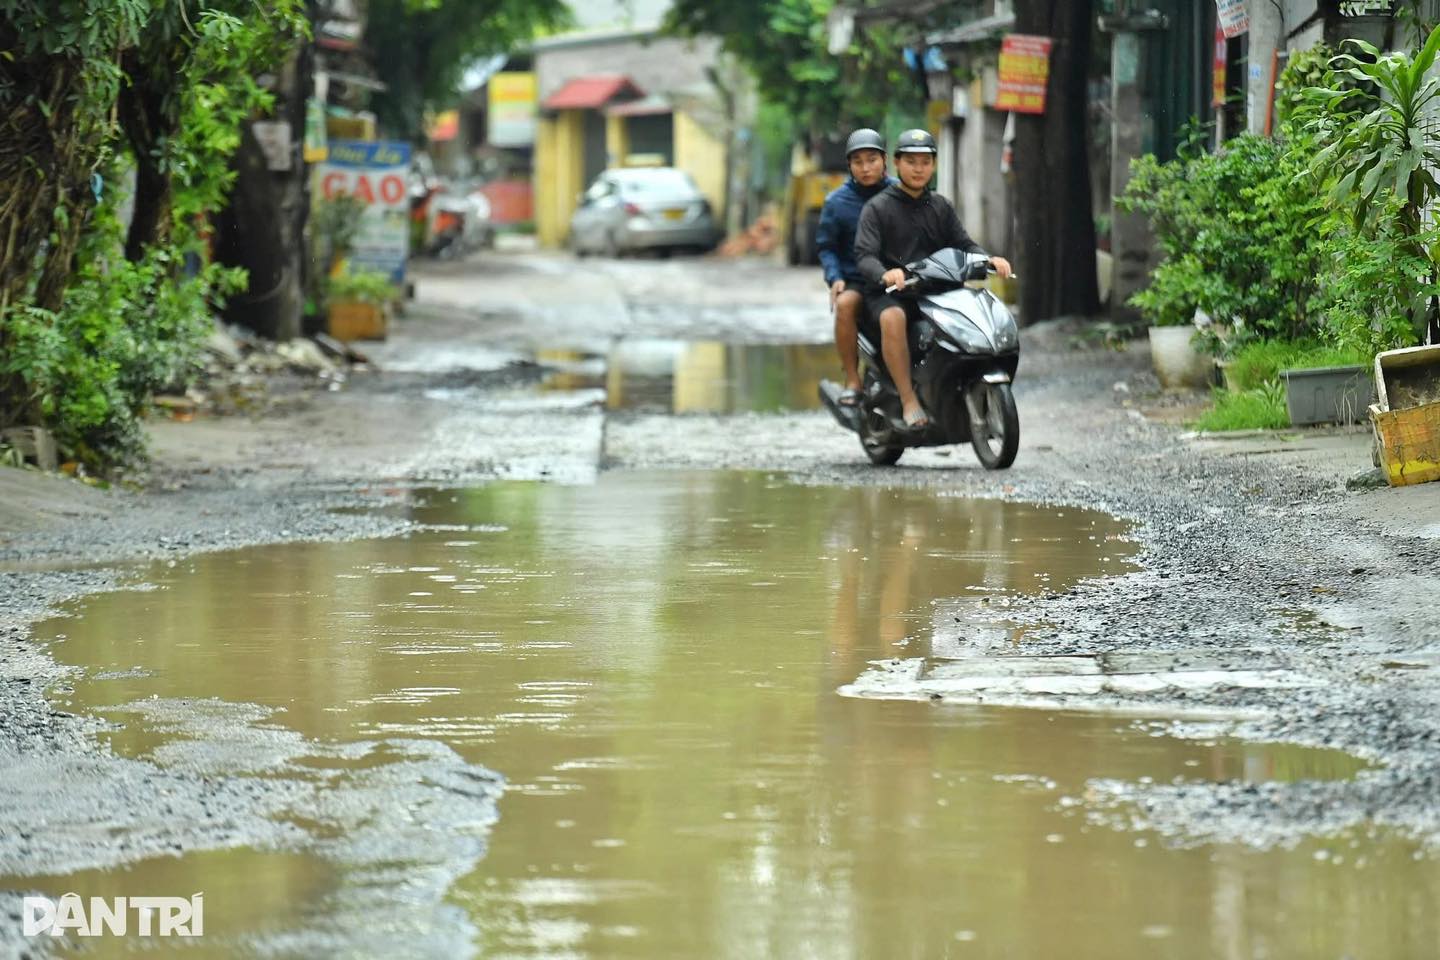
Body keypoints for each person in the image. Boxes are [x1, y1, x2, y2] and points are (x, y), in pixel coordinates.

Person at [854, 128, 1013, 430]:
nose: (918, 169)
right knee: (892, 318)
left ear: (934, 165)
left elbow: (964, 244)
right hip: (892, 294)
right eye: (911, 161)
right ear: (896, 163)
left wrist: (988, 260)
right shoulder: (877, 208)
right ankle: (908, 399)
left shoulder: (941, 206)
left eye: (925, 162)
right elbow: (865, 256)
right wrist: (886, 273)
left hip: (934, 290)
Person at [815, 128, 896, 406]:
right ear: (849, 166)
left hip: (898, 278)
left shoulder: (902, 193)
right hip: (857, 279)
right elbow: (826, 247)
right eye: (858, 162)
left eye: (872, 160)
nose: (865, 168)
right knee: (845, 305)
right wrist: (835, 277)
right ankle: (852, 379)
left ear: (885, 160)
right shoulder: (836, 202)